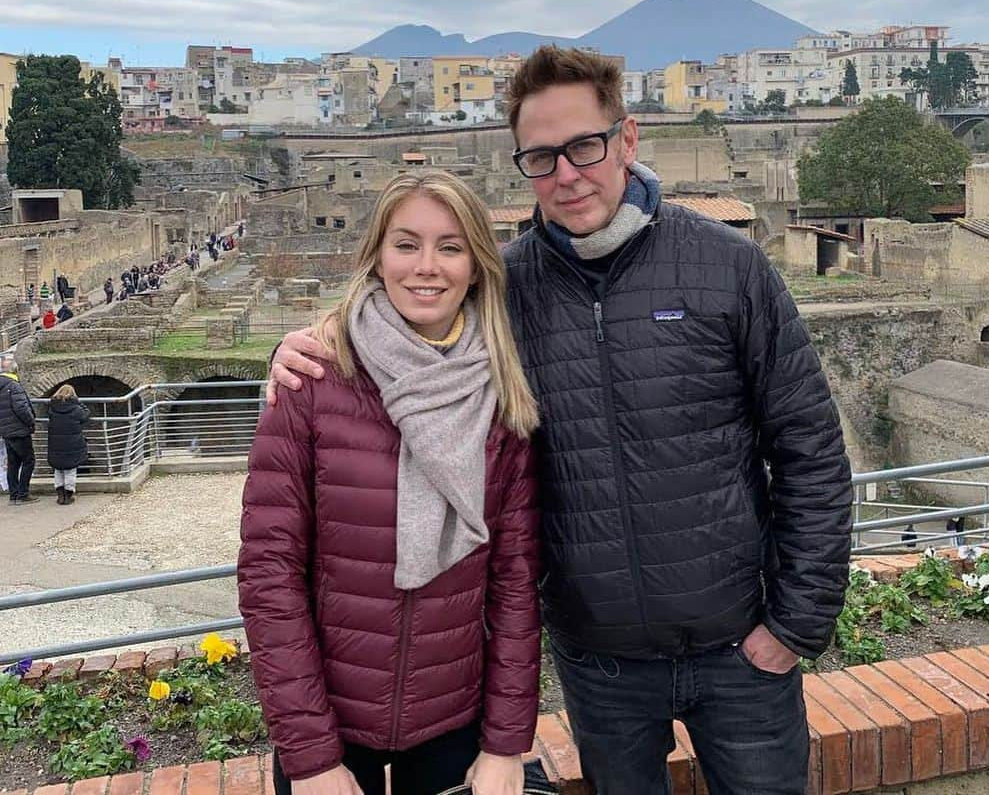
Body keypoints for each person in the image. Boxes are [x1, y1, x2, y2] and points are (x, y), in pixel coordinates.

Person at [269, 47, 852, 795]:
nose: (567, 174)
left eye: (584, 146)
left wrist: (794, 625)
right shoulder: (504, 289)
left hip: (740, 648)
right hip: (600, 665)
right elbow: (407, 326)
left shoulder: (727, 266)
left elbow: (809, 446)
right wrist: (307, 343)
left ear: (627, 140)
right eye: (541, 158)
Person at [239, 170, 542, 795]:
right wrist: (312, 756)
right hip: (329, 722)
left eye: (450, 247)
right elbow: (270, 574)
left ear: (478, 265)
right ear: (377, 257)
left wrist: (507, 744)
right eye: (406, 244)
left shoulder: (501, 396)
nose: (426, 267)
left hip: (452, 719)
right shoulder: (310, 380)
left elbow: (514, 583)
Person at [1, 359, 38, 504]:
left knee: (13, 464)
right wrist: (31, 422)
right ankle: (23, 494)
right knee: (29, 461)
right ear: (14, 370)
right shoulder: (13, 386)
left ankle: (13, 495)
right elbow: (21, 408)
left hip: (6, 431)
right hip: (19, 430)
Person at [46, 384, 90, 505]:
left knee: (58, 469)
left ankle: (60, 494)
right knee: (70, 469)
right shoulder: (76, 409)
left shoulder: (52, 408)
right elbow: (85, 415)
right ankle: (68, 494)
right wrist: (79, 403)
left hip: (56, 444)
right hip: (72, 443)